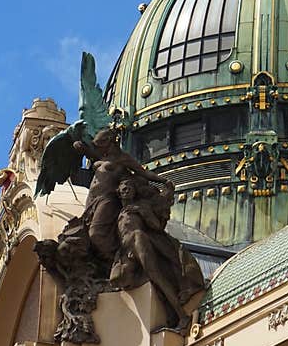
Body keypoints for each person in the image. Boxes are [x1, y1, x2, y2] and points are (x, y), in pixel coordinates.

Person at [111, 177, 204, 332]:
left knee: (156, 277)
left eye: (130, 187)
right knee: (123, 278)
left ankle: (182, 316)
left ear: (135, 192)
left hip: (138, 240)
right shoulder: (120, 212)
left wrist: (143, 212)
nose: (127, 190)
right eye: (123, 188)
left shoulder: (140, 206)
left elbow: (156, 226)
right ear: (119, 193)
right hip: (126, 250)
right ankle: (173, 314)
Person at [73, 127, 174, 262]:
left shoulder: (122, 158)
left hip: (108, 199)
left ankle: (118, 260)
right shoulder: (102, 156)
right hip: (93, 199)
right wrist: (80, 146)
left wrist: (164, 180)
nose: (98, 148)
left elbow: (143, 173)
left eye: (99, 144)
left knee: (96, 233)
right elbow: (88, 151)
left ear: (109, 142)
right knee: (88, 233)